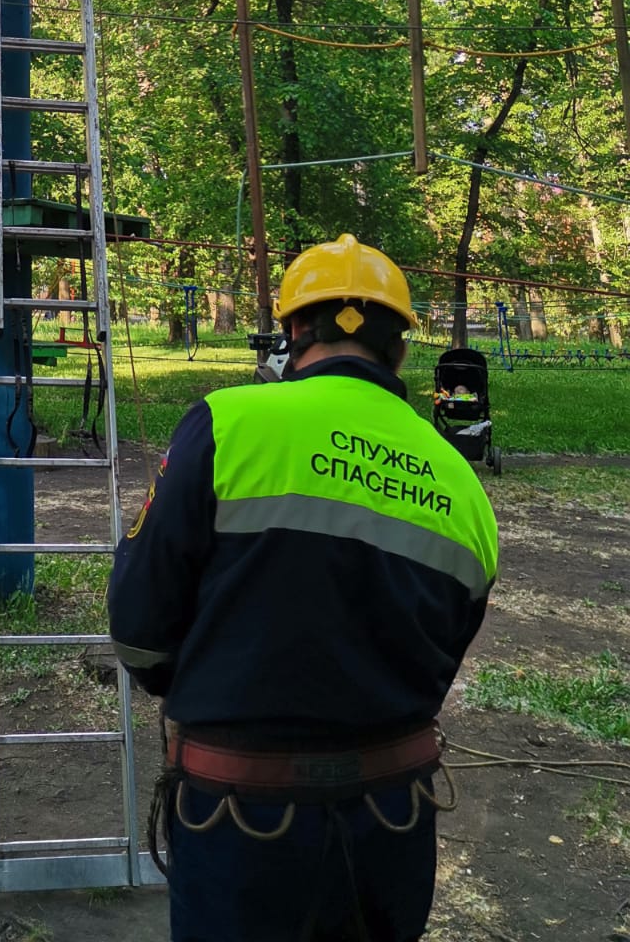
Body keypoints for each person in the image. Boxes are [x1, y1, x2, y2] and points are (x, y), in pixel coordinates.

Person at [107, 234, 498, 942]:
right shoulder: (461, 483)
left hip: (239, 827)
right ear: (401, 349)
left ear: (292, 331)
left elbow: (137, 630)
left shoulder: (228, 425)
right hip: (393, 825)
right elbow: (445, 648)